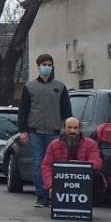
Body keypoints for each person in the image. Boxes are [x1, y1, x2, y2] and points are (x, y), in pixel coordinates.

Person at [17, 53, 72, 207]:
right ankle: (41, 195)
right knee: (37, 163)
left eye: (49, 64)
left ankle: (53, 193)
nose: (46, 67)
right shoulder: (29, 87)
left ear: (52, 66)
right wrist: (22, 130)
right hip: (35, 131)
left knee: (55, 164)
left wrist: (68, 129)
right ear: (38, 66)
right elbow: (23, 110)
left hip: (54, 133)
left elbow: (66, 111)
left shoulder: (60, 87)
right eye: (44, 64)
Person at [41, 117, 104, 206]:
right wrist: (51, 186)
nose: (72, 131)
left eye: (75, 128)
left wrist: (78, 166)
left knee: (97, 177)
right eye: (69, 127)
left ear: (80, 129)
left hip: (83, 181)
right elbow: (46, 166)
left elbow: (97, 162)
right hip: (61, 180)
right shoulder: (54, 144)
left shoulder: (91, 143)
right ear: (63, 129)